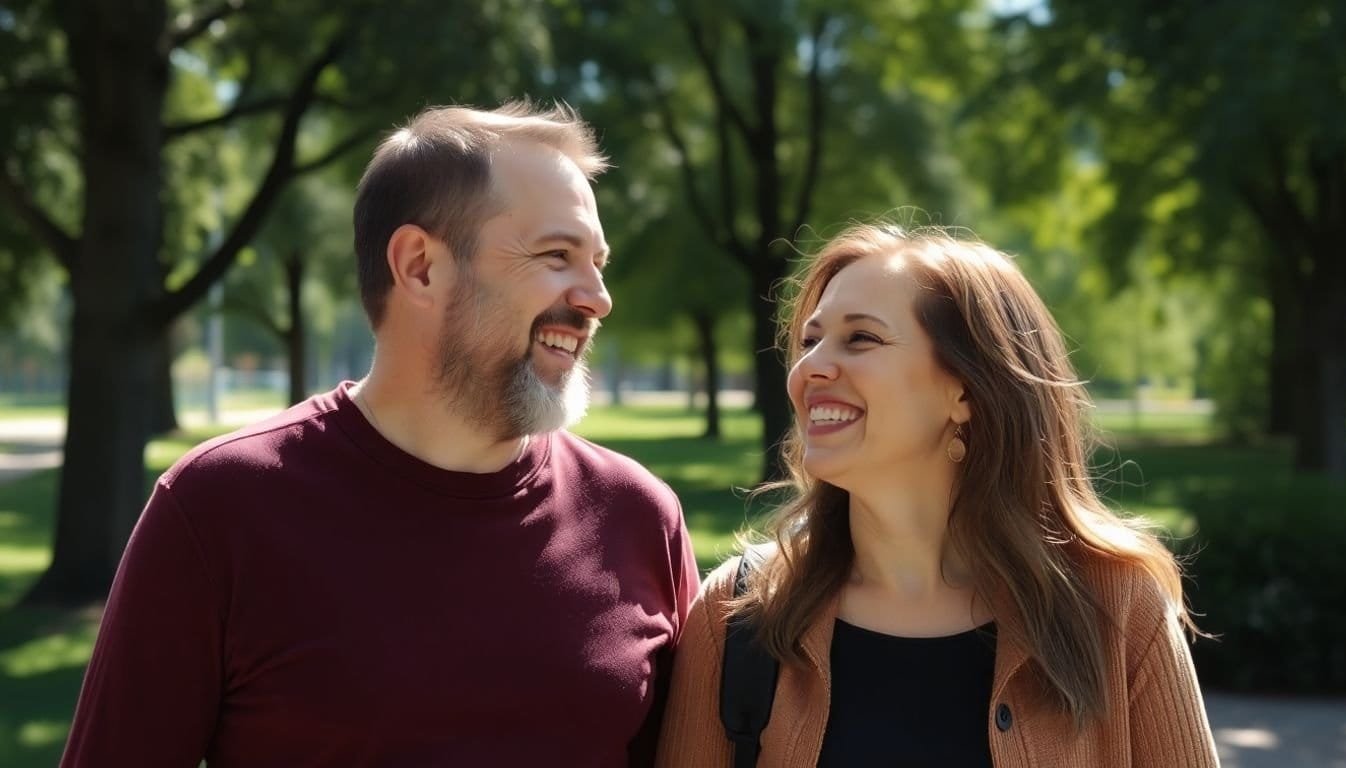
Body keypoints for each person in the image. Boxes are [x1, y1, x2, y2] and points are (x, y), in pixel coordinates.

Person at [61, 102, 700, 767]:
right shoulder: (218, 509)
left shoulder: (638, 516)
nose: (598, 296)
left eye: (596, 262)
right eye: (556, 255)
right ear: (420, 266)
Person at [657, 223, 1219, 767]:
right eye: (810, 340)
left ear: (966, 391)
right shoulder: (737, 615)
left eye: (861, 338)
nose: (810, 368)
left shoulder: (1117, 610)